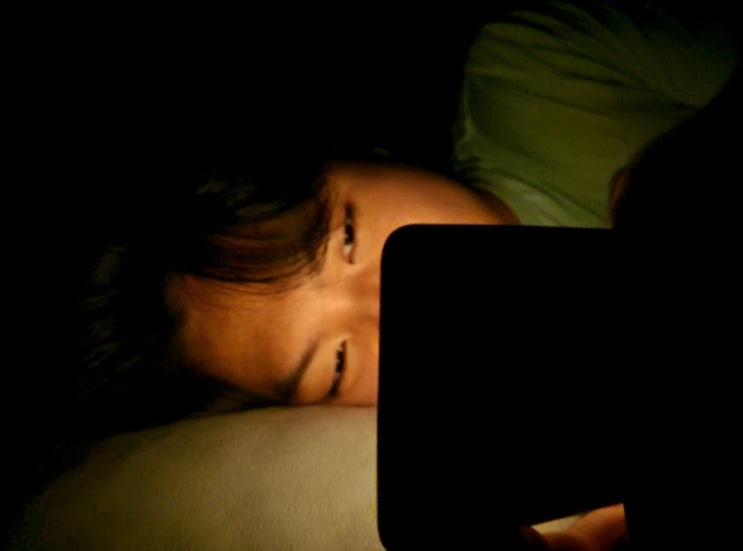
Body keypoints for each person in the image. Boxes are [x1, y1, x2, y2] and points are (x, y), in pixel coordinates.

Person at [17, 1, 738, 549]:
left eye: (347, 237)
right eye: (335, 361)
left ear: (366, 153)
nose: (384, 307)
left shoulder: (537, 70)